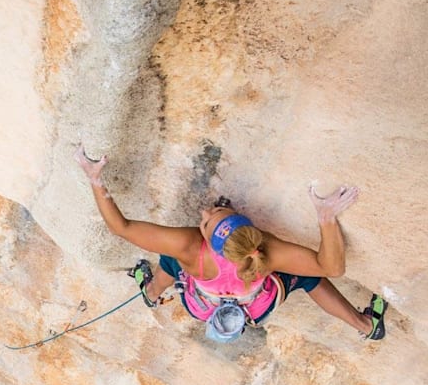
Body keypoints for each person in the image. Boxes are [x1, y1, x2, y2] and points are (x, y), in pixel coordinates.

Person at [75, 145, 387, 340]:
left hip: (203, 306)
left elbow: (122, 227)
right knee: (307, 275)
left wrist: (94, 178)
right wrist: (326, 219)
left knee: (171, 260)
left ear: (209, 243)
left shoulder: (189, 247)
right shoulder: (266, 250)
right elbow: (330, 268)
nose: (205, 211)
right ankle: (364, 326)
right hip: (256, 306)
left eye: (208, 220)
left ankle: (152, 293)